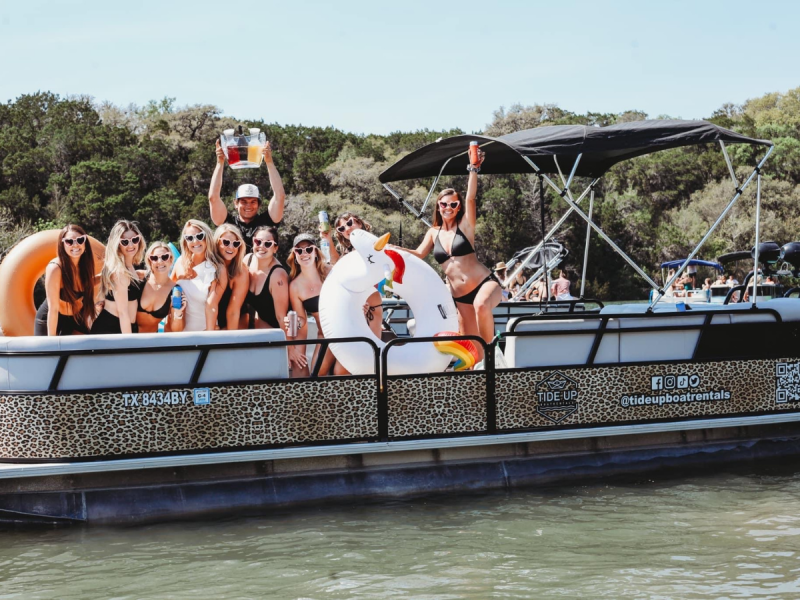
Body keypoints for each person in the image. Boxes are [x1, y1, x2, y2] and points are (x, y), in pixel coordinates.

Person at [393, 148, 501, 355]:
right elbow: (418, 254)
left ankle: (491, 357)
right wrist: (395, 249)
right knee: (472, 351)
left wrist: (473, 169)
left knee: (481, 306)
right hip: (460, 297)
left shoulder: (466, 226)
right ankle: (479, 371)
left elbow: (471, 198)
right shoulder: (433, 232)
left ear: (458, 207)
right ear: (438, 206)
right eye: (444, 204)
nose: (448, 207)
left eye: (453, 204)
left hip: (484, 284)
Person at [209, 140, 286, 251]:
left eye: (253, 202)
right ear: (235, 204)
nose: (248, 206)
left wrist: (269, 162)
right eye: (243, 201)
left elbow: (280, 196)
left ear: (259, 204)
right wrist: (219, 163)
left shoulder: (267, 222)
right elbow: (213, 198)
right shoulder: (228, 223)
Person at [322, 211, 383, 340]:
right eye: (342, 228)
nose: (347, 228)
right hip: (353, 302)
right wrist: (328, 240)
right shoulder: (349, 250)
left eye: (350, 223)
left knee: (373, 347)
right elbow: (336, 264)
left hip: (369, 302)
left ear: (359, 223)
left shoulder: (373, 244)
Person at [34, 224, 97, 336]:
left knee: (86, 349)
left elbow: (86, 284)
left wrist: (107, 275)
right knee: (51, 353)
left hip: (75, 318)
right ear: (63, 244)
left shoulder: (84, 265)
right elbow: (53, 309)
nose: (75, 245)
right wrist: (51, 341)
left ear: (85, 242)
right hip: (52, 320)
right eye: (69, 242)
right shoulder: (55, 268)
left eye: (80, 240)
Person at [286, 233, 332, 376]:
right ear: (294, 255)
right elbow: (302, 319)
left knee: (340, 371)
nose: (304, 253)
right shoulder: (295, 286)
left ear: (316, 252)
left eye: (308, 249)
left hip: (345, 333)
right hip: (325, 337)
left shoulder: (330, 272)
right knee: (317, 374)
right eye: (299, 250)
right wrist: (293, 323)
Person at [91, 220, 145, 335]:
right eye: (125, 242)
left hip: (122, 328)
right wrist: (128, 344)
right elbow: (123, 313)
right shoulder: (120, 271)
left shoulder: (129, 268)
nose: (131, 245)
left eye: (135, 240)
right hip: (112, 330)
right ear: (117, 244)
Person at [172, 220, 227, 331]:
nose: (195, 241)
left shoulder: (217, 269)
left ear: (207, 237)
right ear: (185, 241)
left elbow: (212, 306)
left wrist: (209, 336)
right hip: (178, 332)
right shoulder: (180, 262)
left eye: (200, 236)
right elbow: (167, 288)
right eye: (190, 238)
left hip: (203, 332)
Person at [245, 226, 289, 330]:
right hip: (258, 325)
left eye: (268, 243)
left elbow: (281, 317)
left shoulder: (278, 276)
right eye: (258, 241)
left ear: (275, 248)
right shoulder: (248, 260)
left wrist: (287, 345)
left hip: (275, 330)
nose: (262, 246)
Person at [136, 242, 186, 333]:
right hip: (128, 339)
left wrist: (178, 313)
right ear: (149, 261)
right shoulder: (138, 277)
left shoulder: (175, 290)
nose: (160, 261)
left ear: (171, 260)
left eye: (164, 257)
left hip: (152, 342)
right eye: (154, 258)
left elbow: (176, 330)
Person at [213, 224, 250, 330]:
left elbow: (233, 311)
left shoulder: (240, 271)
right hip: (212, 322)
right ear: (217, 242)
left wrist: (230, 338)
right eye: (226, 242)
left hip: (235, 322)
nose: (231, 247)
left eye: (236, 243)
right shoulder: (208, 265)